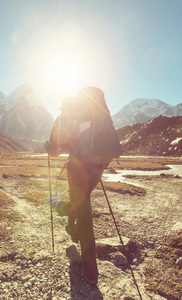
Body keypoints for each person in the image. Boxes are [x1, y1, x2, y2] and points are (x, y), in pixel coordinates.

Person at [45, 87, 111, 286]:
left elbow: (55, 150)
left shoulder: (65, 118)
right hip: (98, 167)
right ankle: (72, 230)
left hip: (78, 168)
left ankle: (90, 272)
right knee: (81, 202)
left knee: (84, 215)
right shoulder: (92, 116)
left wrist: (47, 147)